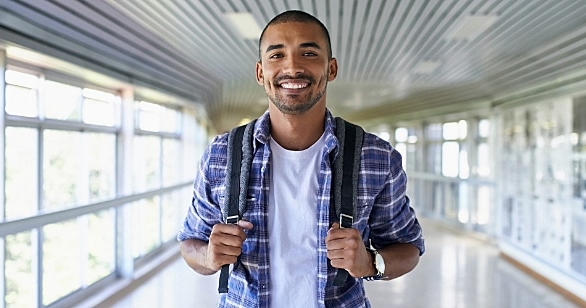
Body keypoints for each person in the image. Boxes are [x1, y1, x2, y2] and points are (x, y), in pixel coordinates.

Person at [178, 10, 424, 307]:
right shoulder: (221, 156)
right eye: (277, 55)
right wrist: (208, 256)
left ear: (331, 69)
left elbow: (408, 247)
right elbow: (191, 242)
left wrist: (371, 262)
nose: (292, 67)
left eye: (308, 53)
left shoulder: (375, 157)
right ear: (260, 73)